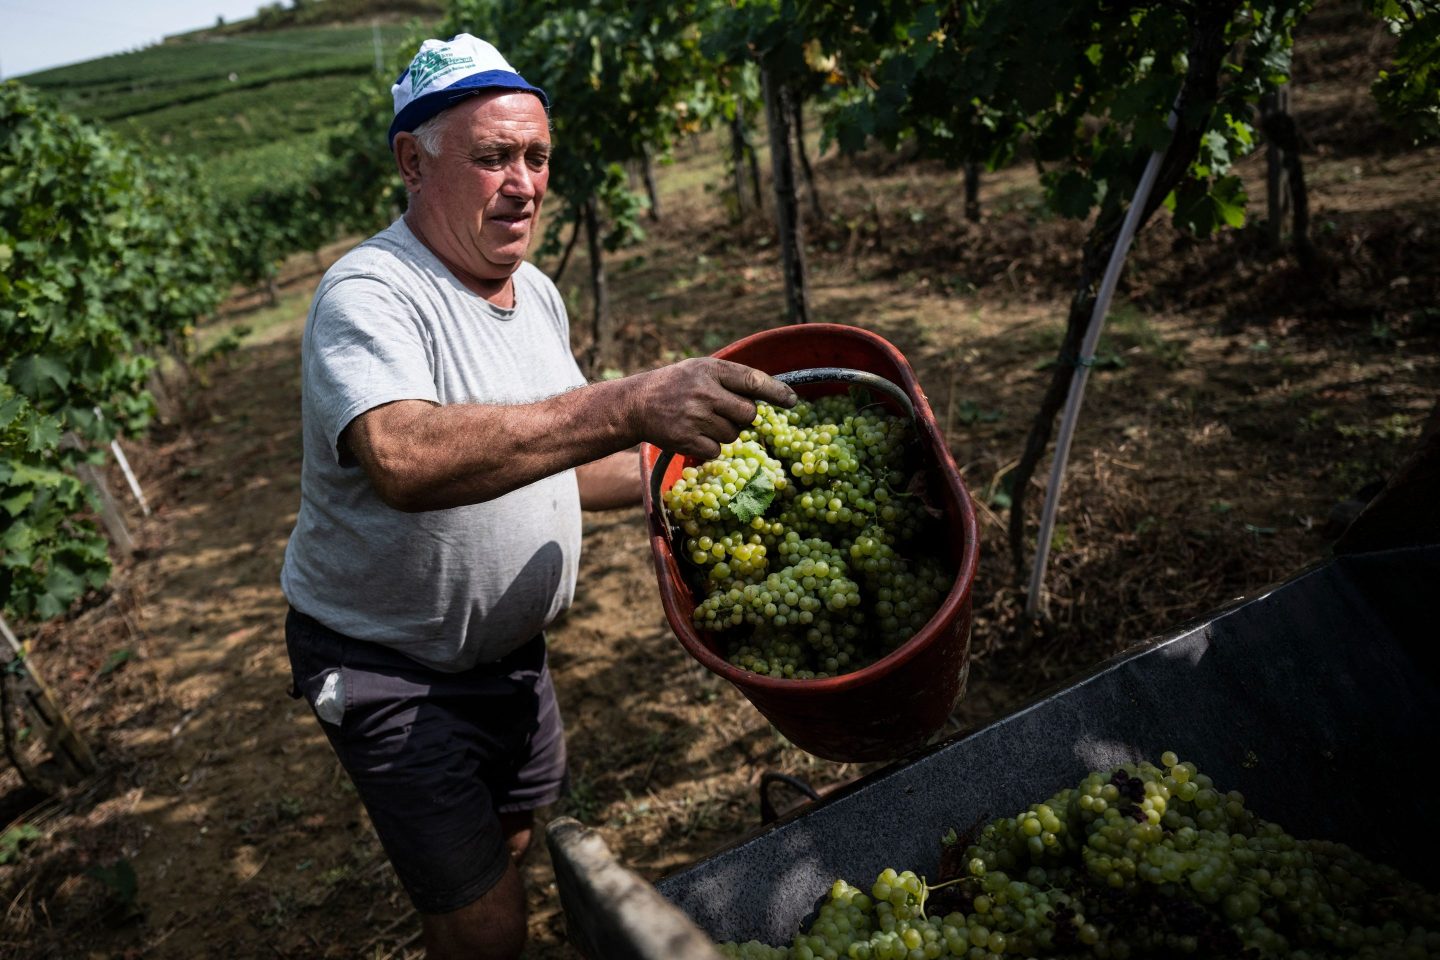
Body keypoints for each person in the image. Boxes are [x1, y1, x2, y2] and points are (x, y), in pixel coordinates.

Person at [278, 33, 796, 960]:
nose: (523, 182)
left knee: (510, 836)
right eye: (492, 158)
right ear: (413, 161)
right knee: (486, 923)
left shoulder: (538, 294)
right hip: (389, 663)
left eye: (536, 156)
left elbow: (570, 456)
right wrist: (627, 402)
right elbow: (402, 456)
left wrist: (696, 472)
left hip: (509, 656)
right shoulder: (372, 293)